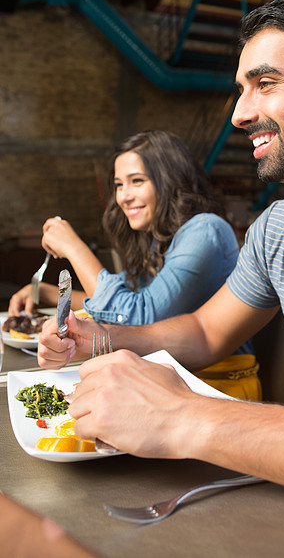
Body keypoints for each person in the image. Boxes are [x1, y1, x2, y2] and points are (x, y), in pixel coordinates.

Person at [38, 0, 284, 518]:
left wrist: (185, 418)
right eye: (241, 90)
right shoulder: (276, 229)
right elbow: (206, 333)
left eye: (265, 84)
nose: (239, 114)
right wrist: (102, 338)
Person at [10, 130, 260, 399]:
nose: (123, 197)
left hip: (216, 389)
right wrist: (47, 293)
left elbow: (136, 317)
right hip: (170, 380)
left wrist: (74, 248)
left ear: (170, 182)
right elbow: (122, 303)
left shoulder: (205, 230)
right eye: (119, 185)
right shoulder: (157, 239)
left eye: (136, 181)